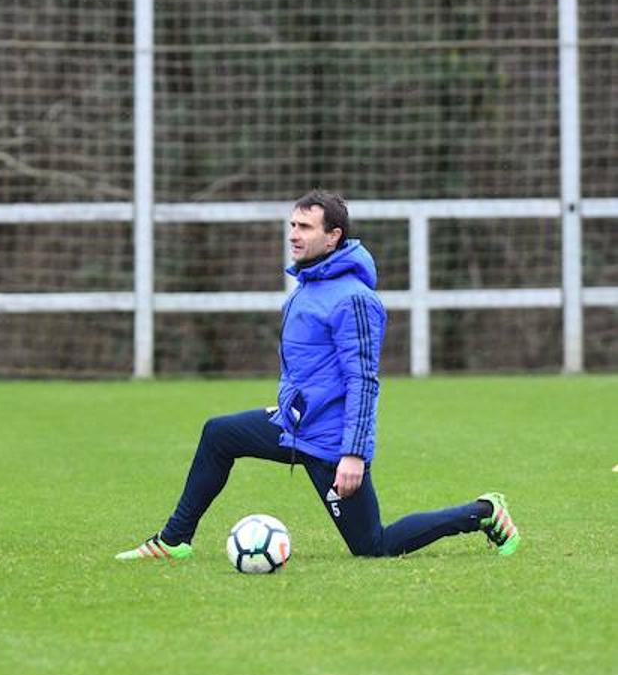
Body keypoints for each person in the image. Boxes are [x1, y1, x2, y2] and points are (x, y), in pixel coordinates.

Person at [116, 189, 519, 563]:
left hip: (330, 443)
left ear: (333, 237)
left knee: (373, 546)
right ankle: (173, 540)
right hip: (295, 426)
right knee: (219, 434)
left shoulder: (354, 299)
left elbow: (363, 381)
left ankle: (483, 513)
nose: (294, 234)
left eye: (305, 227)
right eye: (292, 225)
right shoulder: (307, 288)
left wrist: (354, 454)